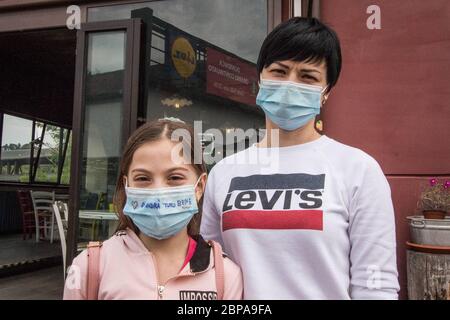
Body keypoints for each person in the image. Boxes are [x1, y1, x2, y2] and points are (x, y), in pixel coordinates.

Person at [200, 17, 399, 299]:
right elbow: (212, 273)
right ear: (260, 79)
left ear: (326, 92)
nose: (290, 85)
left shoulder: (359, 170)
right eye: (279, 72)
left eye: (308, 77)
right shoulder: (223, 173)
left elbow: (375, 285)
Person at [64, 119, 243, 300]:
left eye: (174, 177)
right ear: (127, 185)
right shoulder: (89, 267)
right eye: (143, 178)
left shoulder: (225, 275)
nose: (158, 191)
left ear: (199, 186)